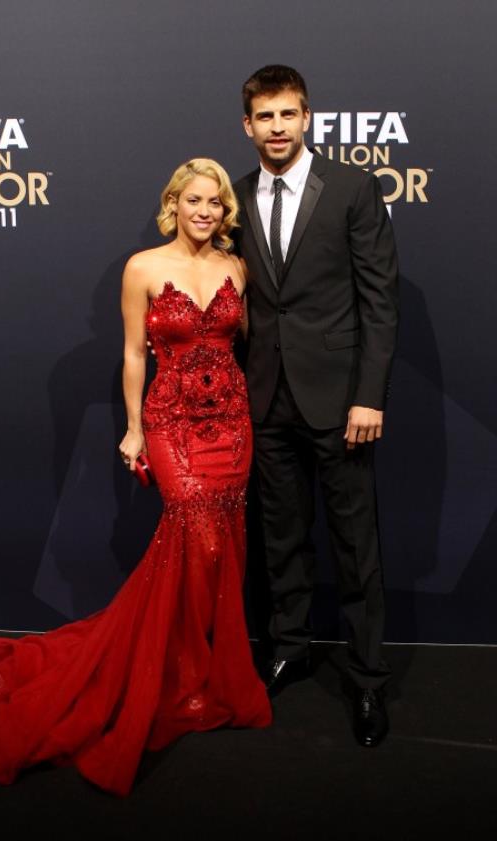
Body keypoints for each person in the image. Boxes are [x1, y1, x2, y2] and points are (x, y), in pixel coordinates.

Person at [0, 158, 271, 796]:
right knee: (193, 537)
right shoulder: (143, 267)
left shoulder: (236, 267)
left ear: (225, 212)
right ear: (174, 204)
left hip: (231, 424)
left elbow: (241, 348)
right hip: (171, 419)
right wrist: (133, 429)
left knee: (224, 550)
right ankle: (167, 672)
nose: (206, 211)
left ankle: (204, 675)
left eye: (215, 202)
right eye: (194, 200)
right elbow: (133, 352)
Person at [233, 65, 399, 747]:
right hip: (266, 397)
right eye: (264, 117)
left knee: (356, 546)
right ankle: (290, 644)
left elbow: (378, 301)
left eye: (287, 114)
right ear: (247, 126)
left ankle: (366, 679)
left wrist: (369, 395)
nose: (276, 127)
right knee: (282, 538)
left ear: (308, 119)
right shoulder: (235, 196)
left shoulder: (354, 188)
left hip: (340, 401)